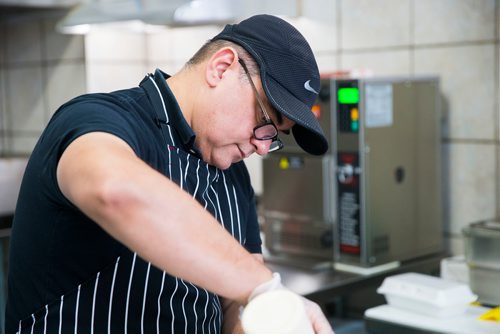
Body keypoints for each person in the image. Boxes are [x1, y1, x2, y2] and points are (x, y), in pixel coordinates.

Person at [5, 14, 332, 334]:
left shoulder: (234, 175)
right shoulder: (99, 119)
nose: (263, 148)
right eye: (265, 120)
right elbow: (118, 192)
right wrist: (267, 288)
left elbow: (235, 302)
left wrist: (263, 318)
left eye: (274, 136)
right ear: (222, 68)